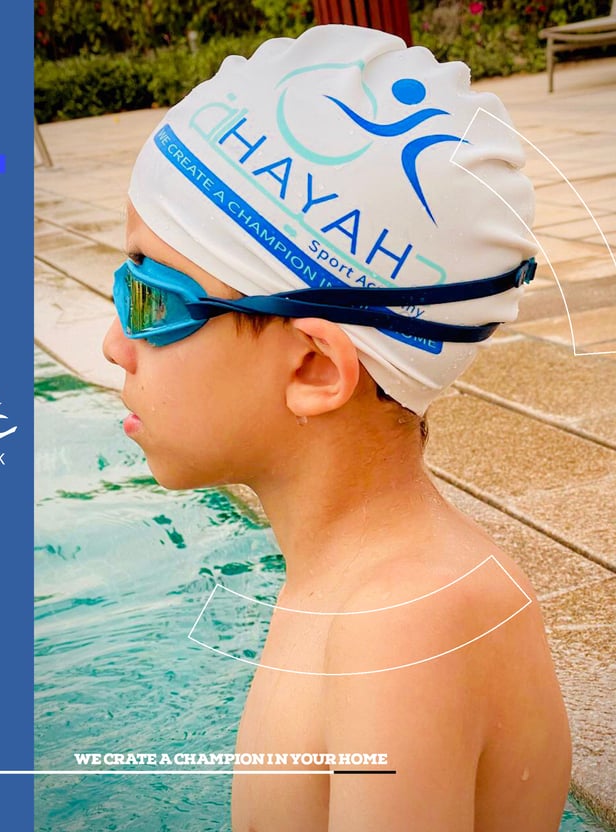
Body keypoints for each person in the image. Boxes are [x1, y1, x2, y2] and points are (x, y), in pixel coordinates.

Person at [103, 24, 572, 832]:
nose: (115, 341)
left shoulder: (402, 629)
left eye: (149, 296)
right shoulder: (356, 587)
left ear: (315, 368)